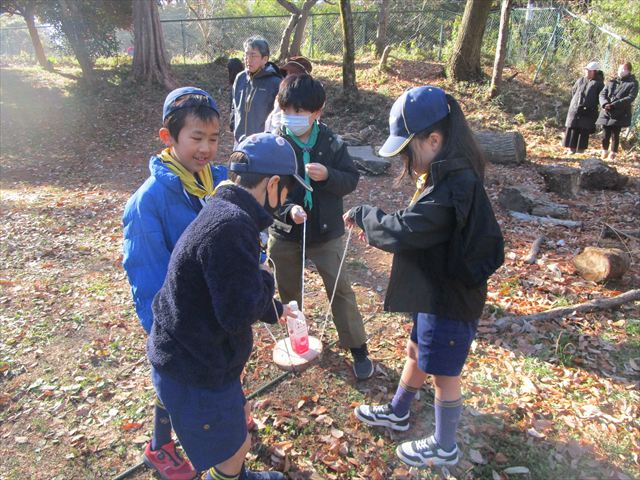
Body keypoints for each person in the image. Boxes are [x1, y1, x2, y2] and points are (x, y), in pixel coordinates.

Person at [345, 86, 504, 469]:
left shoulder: (455, 187)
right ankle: (399, 411)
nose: (404, 159)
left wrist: (367, 215)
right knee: (416, 351)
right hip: (436, 292)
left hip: (451, 300)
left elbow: (405, 231)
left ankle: (444, 445)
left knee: (444, 375)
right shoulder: (447, 174)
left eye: (406, 148)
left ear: (434, 139)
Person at [148, 133, 312, 480]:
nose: (285, 200)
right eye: (286, 192)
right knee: (235, 447)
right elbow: (236, 314)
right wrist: (265, 277)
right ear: (272, 184)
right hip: (195, 363)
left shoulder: (225, 211)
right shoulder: (232, 227)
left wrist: (275, 309)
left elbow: (226, 287)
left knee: (237, 428)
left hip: (181, 344)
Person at [123, 87, 228, 480]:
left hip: (214, 312)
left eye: (214, 139)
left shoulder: (217, 181)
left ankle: (227, 415)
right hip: (180, 320)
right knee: (178, 382)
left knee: (217, 374)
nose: (206, 148)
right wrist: (163, 333)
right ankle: (160, 446)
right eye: (196, 138)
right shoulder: (148, 202)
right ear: (168, 138)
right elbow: (147, 273)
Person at [267, 74, 374, 380]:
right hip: (286, 234)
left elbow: (350, 179)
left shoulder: (331, 142)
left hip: (326, 233)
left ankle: (358, 349)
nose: (291, 118)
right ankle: (297, 341)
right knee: (289, 294)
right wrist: (288, 213)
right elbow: (265, 192)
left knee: (340, 290)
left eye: (298, 113)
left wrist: (328, 175)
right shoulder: (276, 142)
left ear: (317, 112)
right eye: (286, 110)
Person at [231, 36, 282, 144]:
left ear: (265, 59)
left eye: (253, 55)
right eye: (246, 54)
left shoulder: (275, 83)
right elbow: (234, 105)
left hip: (263, 143)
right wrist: (233, 126)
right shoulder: (240, 78)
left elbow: (278, 115)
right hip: (240, 141)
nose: (248, 59)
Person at [597, 61, 638, 160]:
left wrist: (614, 105)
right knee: (605, 133)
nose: (620, 71)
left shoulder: (633, 83)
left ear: (628, 71)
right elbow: (602, 94)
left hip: (620, 112)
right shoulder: (612, 81)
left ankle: (613, 153)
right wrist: (605, 104)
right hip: (607, 110)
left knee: (615, 133)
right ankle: (604, 151)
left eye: (623, 69)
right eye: (619, 69)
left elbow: (630, 97)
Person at [563, 61, 604, 155]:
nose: (587, 72)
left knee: (584, 130)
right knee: (573, 127)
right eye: (586, 70)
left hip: (589, 111)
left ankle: (580, 150)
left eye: (589, 71)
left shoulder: (599, 84)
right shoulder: (580, 80)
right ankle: (571, 148)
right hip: (575, 108)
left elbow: (600, 97)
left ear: (595, 72)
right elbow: (574, 91)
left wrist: (590, 104)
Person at [265, 56, 313, 133]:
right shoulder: (282, 93)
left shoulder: (306, 98)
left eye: (292, 74)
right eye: (287, 74)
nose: (287, 77)